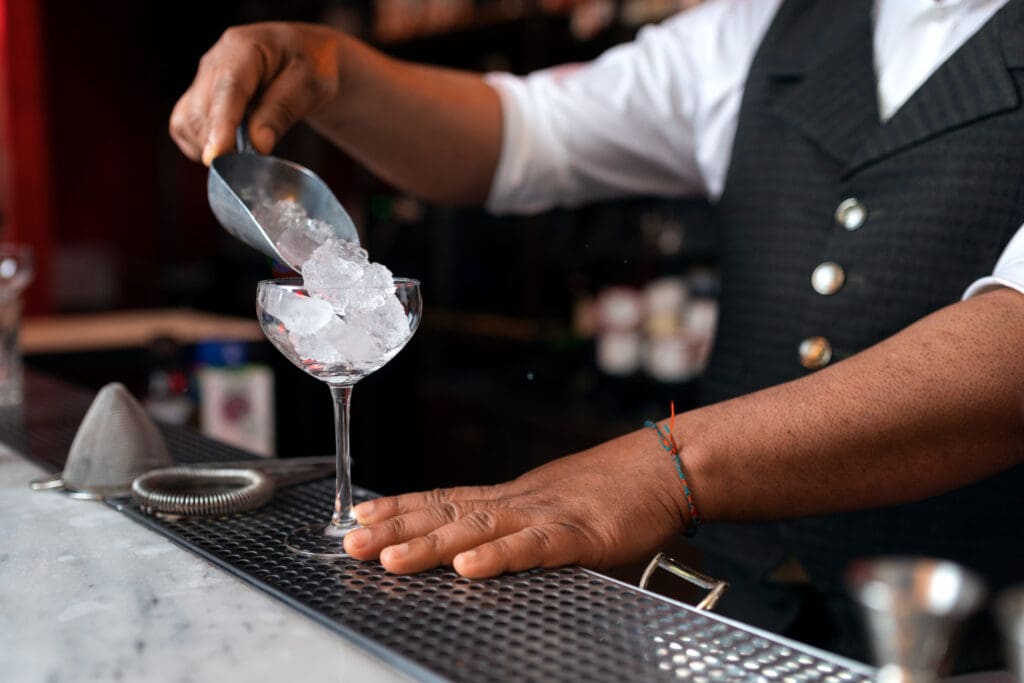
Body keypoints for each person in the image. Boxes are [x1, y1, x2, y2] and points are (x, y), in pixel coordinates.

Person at [170, 0, 1024, 669]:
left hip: (983, 636)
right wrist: (332, 67)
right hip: (736, 615)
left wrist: (660, 469)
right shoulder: (766, 23)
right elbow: (520, 136)